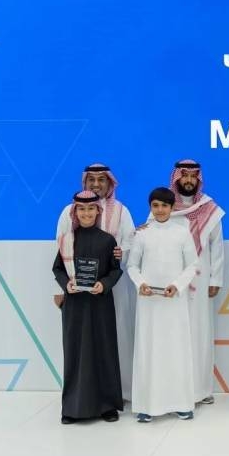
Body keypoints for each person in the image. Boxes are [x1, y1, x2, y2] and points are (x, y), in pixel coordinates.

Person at [145, 160, 224, 406]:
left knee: (199, 331)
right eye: (184, 176)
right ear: (176, 178)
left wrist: (215, 278)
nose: (188, 180)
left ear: (199, 179)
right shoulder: (163, 207)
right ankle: (173, 390)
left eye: (193, 176)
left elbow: (217, 246)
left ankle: (200, 390)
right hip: (168, 281)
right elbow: (149, 238)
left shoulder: (209, 208)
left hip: (200, 279)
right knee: (173, 333)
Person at [55, 163, 137, 403]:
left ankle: (120, 392)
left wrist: (122, 253)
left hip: (112, 287)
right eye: (91, 179)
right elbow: (60, 249)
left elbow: (131, 243)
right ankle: (83, 397)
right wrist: (59, 288)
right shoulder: (69, 211)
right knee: (79, 343)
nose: (96, 184)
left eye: (102, 180)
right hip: (76, 290)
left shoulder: (121, 211)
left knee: (114, 336)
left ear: (110, 183)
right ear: (85, 182)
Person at [127, 187, 200, 422]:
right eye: (155, 205)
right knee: (149, 350)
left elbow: (192, 265)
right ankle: (147, 406)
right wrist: (141, 284)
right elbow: (132, 266)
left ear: (172, 208)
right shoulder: (142, 234)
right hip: (148, 302)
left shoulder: (182, 232)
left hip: (174, 302)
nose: (160, 210)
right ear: (150, 207)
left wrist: (177, 285)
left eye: (164, 206)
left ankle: (181, 404)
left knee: (175, 349)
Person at [51, 190, 123, 424]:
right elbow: (58, 269)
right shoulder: (67, 240)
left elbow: (115, 270)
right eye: (81, 209)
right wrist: (66, 284)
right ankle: (72, 408)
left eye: (91, 209)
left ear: (98, 211)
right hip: (75, 305)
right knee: (75, 353)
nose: (86, 213)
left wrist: (104, 284)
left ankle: (107, 406)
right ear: (75, 212)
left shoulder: (108, 240)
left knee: (104, 350)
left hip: (100, 303)